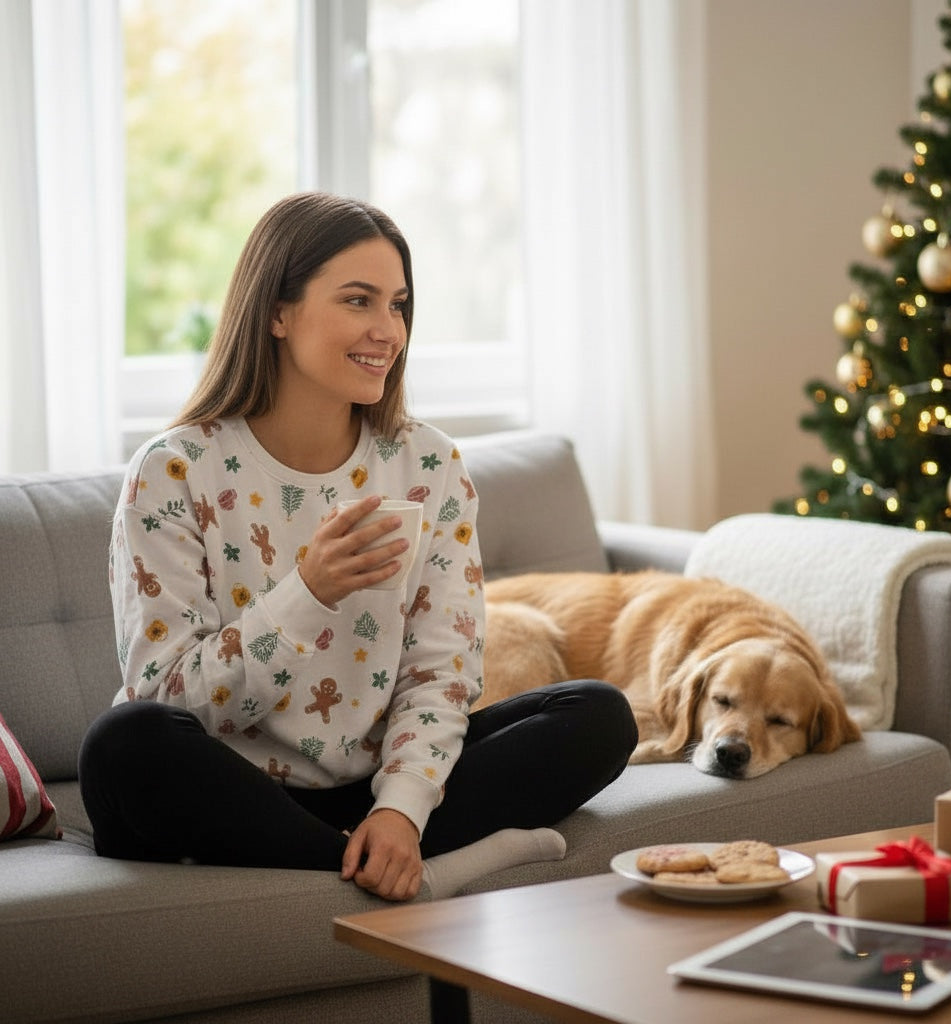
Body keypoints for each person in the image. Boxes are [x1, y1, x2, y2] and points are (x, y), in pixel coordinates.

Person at [79, 192, 638, 902]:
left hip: (368, 792)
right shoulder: (174, 472)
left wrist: (402, 808)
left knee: (596, 717)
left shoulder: (427, 466)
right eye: (358, 300)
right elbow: (174, 696)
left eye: (398, 305)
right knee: (124, 744)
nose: (387, 330)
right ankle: (415, 870)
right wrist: (305, 595)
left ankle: (381, 850)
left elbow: (442, 670)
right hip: (226, 788)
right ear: (277, 312)